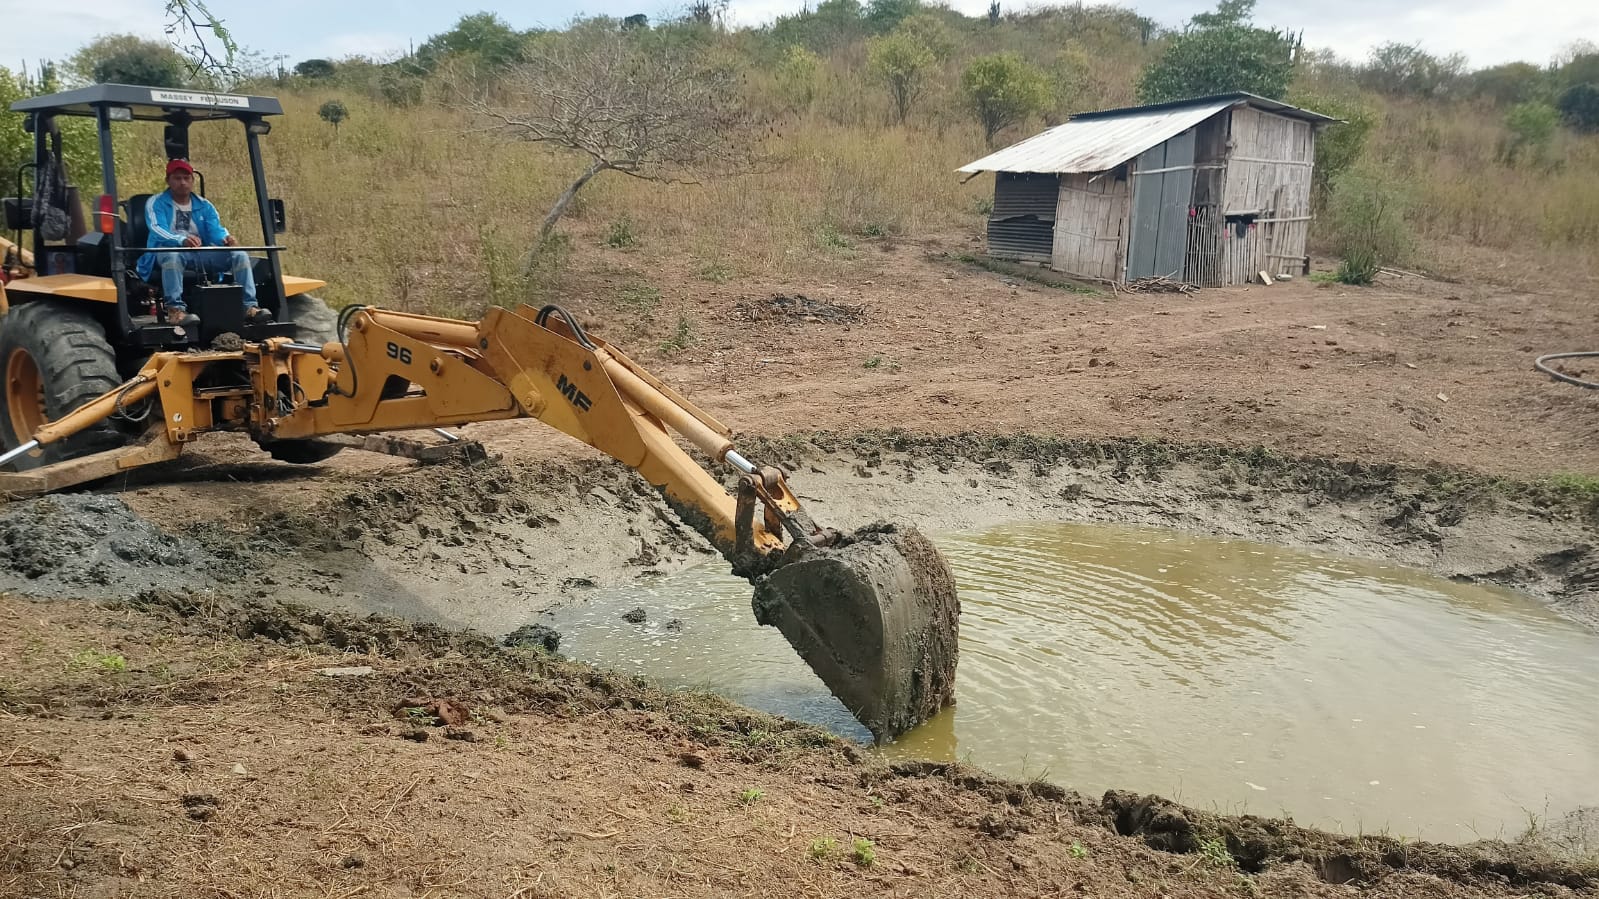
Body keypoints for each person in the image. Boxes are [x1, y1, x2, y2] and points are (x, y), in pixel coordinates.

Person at [136, 159, 272, 326]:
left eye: (186, 178)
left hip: (199, 253)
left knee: (239, 254)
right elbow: (157, 229)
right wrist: (181, 240)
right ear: (168, 180)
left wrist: (225, 238)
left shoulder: (204, 205)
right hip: (165, 251)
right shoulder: (156, 203)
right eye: (177, 178)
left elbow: (215, 230)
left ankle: (249, 307)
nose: (182, 182)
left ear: (192, 180)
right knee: (173, 256)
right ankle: (175, 310)